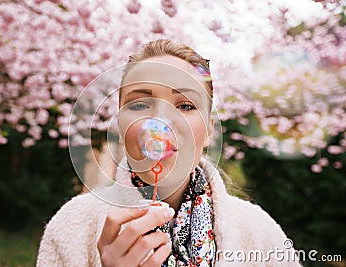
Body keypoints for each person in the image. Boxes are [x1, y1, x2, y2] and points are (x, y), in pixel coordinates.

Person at [36, 39, 301, 266]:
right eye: (139, 105)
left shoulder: (261, 233)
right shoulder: (73, 226)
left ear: (209, 130)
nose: (161, 122)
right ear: (119, 123)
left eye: (185, 106)